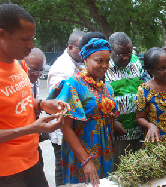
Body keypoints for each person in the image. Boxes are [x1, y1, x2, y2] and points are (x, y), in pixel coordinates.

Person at [0, 4, 69, 187]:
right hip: (6, 172)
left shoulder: (19, 64)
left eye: (32, 38)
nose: (31, 46)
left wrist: (41, 104)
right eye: (24, 39)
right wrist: (31, 129)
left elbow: (19, 102)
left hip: (32, 160)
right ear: (2, 34)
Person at [47, 33, 119, 186]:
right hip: (82, 153)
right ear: (86, 59)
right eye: (99, 61)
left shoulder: (106, 87)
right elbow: (66, 128)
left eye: (107, 61)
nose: (105, 65)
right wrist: (86, 161)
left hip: (105, 150)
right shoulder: (73, 85)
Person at [47, 30, 86, 186]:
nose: (85, 52)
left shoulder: (77, 63)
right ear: (71, 47)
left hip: (73, 129)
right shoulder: (62, 69)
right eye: (81, 48)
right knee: (63, 171)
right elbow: (57, 106)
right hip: (62, 130)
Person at [105, 32, 143, 169]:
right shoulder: (104, 67)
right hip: (118, 133)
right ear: (111, 50)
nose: (126, 57)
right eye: (121, 53)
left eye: (129, 52)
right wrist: (112, 121)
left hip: (139, 129)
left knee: (139, 170)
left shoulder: (137, 62)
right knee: (120, 171)